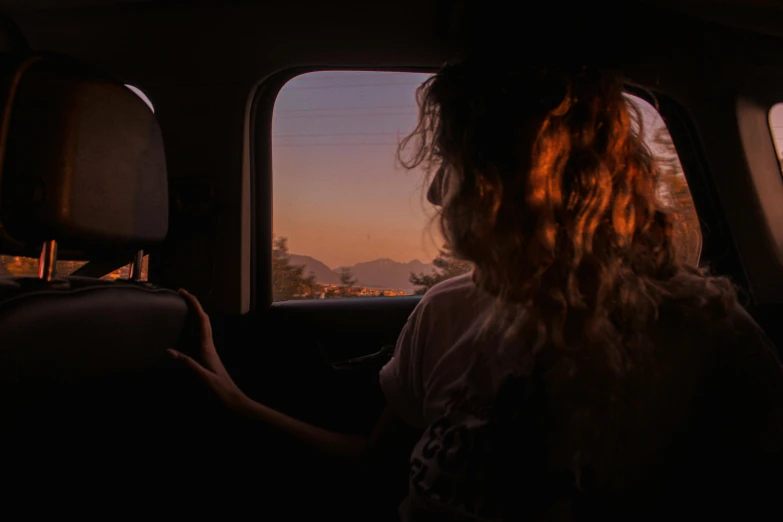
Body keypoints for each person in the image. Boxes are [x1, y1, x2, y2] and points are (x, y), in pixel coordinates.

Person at [168, 57, 783, 521]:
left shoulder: (708, 338)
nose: (437, 194)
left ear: (524, 181)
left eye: (452, 166)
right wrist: (235, 406)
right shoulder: (446, 310)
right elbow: (375, 472)